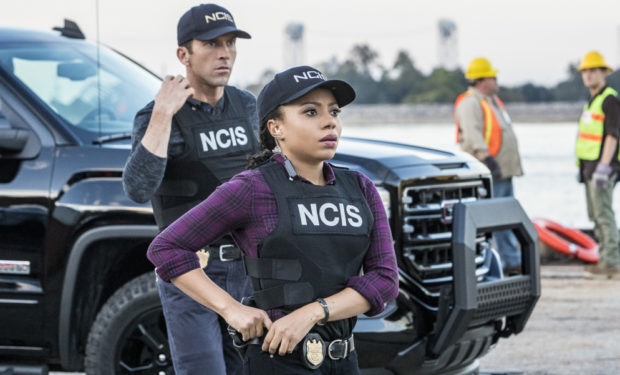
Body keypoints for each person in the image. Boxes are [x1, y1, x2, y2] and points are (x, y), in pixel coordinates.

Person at [147, 65, 399, 374]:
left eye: (334, 112)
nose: (329, 122)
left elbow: (385, 281)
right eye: (310, 112)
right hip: (277, 362)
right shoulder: (252, 188)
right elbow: (167, 249)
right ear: (276, 128)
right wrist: (232, 310)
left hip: (345, 361)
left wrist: (313, 312)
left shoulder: (360, 187)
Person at [122, 3, 258, 374]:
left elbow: (267, 180)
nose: (225, 53)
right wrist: (164, 113)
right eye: (212, 44)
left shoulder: (246, 106)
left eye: (230, 43)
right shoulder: (157, 116)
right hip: (191, 271)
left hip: (248, 270)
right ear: (184, 54)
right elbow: (137, 188)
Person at [454, 57, 524, 274]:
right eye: (493, 77)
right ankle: (507, 262)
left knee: (506, 216)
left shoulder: (491, 101)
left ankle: (511, 260)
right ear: (482, 80)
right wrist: (487, 159)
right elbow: (474, 135)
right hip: (490, 171)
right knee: (496, 218)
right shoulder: (470, 102)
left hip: (503, 171)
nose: (496, 80)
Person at [576, 51, 620, 280]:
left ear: (604, 73)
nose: (589, 75)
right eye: (585, 71)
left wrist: (604, 166)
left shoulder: (610, 99)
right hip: (589, 169)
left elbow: (613, 135)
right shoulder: (592, 101)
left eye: (593, 70)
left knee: (604, 215)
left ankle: (611, 263)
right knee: (595, 215)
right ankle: (606, 259)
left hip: (602, 169)